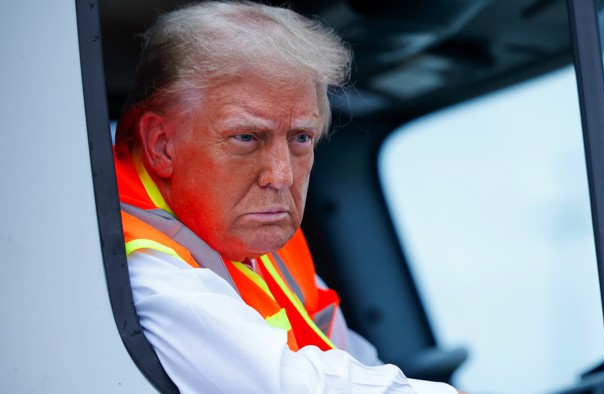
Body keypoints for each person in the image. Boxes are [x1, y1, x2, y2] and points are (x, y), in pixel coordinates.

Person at [112, 2, 459, 392]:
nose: (281, 175)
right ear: (161, 145)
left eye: (300, 138)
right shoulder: (134, 265)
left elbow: (353, 362)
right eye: (246, 137)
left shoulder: (264, 241)